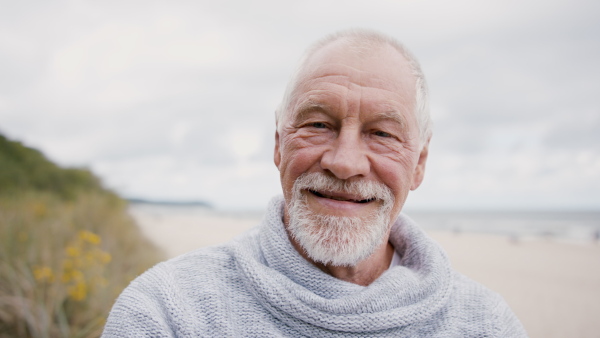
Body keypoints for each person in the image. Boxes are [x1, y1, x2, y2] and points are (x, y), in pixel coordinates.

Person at [103, 29, 527, 337]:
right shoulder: (168, 311)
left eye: (381, 133)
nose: (344, 163)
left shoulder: (486, 324)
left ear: (419, 164)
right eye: (319, 124)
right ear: (278, 144)